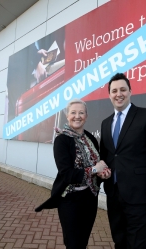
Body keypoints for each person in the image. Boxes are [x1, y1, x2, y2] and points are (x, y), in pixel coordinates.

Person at [99, 73, 146, 249]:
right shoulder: (106, 123)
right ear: (109, 95)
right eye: (114, 91)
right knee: (119, 241)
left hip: (140, 198)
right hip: (114, 196)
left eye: (123, 89)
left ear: (130, 91)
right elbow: (106, 158)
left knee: (137, 244)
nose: (118, 94)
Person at [35, 99, 111, 249]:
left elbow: (98, 164)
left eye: (81, 113)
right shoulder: (61, 140)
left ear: (86, 116)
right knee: (73, 242)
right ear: (67, 116)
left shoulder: (91, 138)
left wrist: (103, 174)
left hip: (90, 198)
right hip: (70, 199)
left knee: (83, 240)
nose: (77, 116)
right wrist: (95, 169)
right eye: (73, 113)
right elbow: (67, 174)